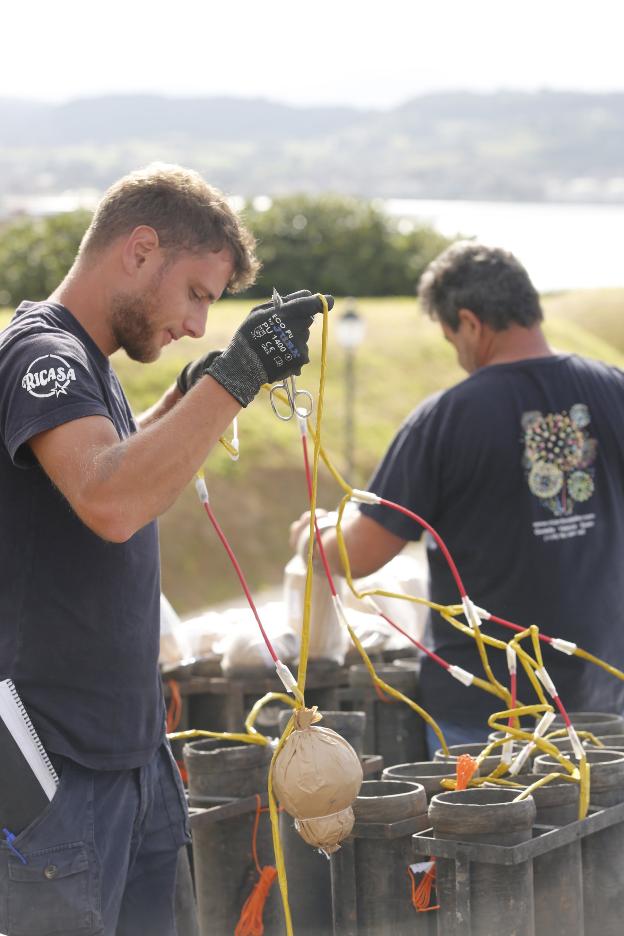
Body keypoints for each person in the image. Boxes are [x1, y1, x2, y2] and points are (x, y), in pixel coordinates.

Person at [0, 162, 333, 936]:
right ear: (140, 249)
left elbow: (119, 458)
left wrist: (190, 393)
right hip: (56, 769)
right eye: (197, 295)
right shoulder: (39, 353)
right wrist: (239, 378)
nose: (195, 324)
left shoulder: (91, 364)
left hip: (133, 759)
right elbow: (110, 497)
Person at [291, 241, 624, 754]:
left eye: (452, 339)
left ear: (469, 323)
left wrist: (313, 540)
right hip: (606, 700)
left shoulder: (446, 419)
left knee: (484, 835)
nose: (460, 356)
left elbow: (359, 554)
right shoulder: (612, 389)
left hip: (486, 714)